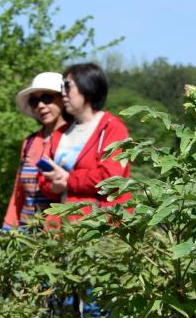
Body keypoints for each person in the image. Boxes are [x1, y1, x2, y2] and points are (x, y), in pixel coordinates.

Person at [39, 62, 132, 227]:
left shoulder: (112, 128)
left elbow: (111, 178)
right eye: (62, 87)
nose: (63, 93)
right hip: (61, 228)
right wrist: (53, 187)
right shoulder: (60, 133)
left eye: (67, 86)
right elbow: (43, 178)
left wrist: (69, 180)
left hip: (100, 228)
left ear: (88, 87)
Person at [2, 72, 68, 230]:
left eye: (47, 98)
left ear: (63, 98)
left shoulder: (75, 138)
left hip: (57, 233)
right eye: (34, 101)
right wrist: (9, 227)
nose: (40, 105)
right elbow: (19, 191)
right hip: (26, 232)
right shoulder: (30, 142)